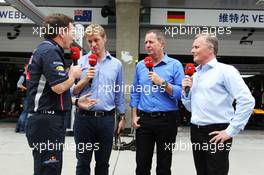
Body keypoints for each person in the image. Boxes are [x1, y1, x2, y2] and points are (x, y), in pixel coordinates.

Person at [26, 13, 97, 175]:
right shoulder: (49, 51)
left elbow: (49, 92)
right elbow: (58, 87)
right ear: (61, 32)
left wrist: (76, 102)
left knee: (49, 167)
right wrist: (72, 75)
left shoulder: (46, 49)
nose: (74, 35)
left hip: (46, 120)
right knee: (49, 169)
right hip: (47, 122)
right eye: (72, 30)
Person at [181, 33, 255, 175]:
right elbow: (191, 108)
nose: (192, 50)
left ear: (210, 49)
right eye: (192, 47)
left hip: (216, 131)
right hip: (196, 131)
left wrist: (230, 131)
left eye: (196, 47)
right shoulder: (195, 75)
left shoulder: (226, 71)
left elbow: (247, 101)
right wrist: (186, 93)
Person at [72, 23, 126, 175]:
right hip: (83, 120)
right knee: (82, 163)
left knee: (103, 164)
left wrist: (122, 116)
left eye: (96, 40)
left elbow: (118, 92)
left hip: (106, 120)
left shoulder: (116, 65)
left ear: (104, 38)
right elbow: (71, 92)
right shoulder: (79, 63)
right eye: (89, 41)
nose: (93, 44)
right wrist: (84, 80)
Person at [130, 29, 184, 175]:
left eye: (151, 42)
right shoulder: (141, 65)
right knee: (141, 164)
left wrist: (162, 83)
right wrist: (134, 116)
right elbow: (135, 92)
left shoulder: (175, 65)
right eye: (146, 42)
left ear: (162, 44)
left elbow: (181, 94)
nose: (147, 45)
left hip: (167, 121)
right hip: (144, 120)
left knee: (164, 165)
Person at [15, 63, 28, 133]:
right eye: (28, 67)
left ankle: (18, 128)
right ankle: (22, 129)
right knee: (25, 112)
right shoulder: (23, 76)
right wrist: (27, 88)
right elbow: (18, 84)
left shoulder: (27, 76)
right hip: (25, 97)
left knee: (24, 112)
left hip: (26, 96)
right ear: (25, 67)